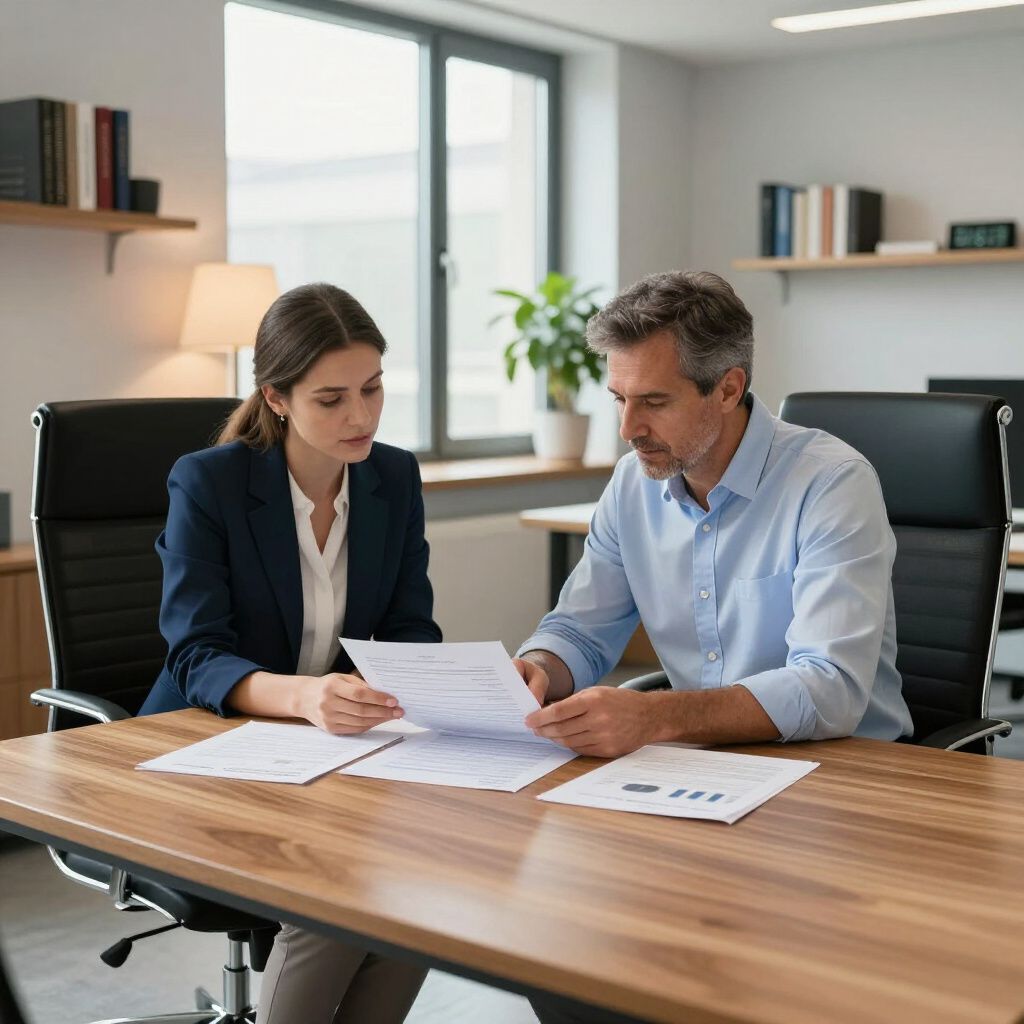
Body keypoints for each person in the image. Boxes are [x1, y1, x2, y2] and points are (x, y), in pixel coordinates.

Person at [513, 271, 912, 1024]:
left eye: (654, 402)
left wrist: (656, 719)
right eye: (619, 400)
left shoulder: (830, 483)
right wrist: (537, 670)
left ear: (728, 390)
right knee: (559, 937)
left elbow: (827, 687)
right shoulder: (634, 484)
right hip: (699, 779)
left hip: (840, 785)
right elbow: (579, 628)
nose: (628, 429)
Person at [140, 282, 440, 1024]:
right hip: (209, 752)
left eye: (372, 389)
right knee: (334, 891)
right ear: (276, 397)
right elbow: (196, 654)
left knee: (426, 867)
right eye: (331, 399)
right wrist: (308, 697)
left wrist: (403, 688)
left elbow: (409, 629)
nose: (361, 416)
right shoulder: (210, 482)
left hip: (335, 760)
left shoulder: (392, 477)